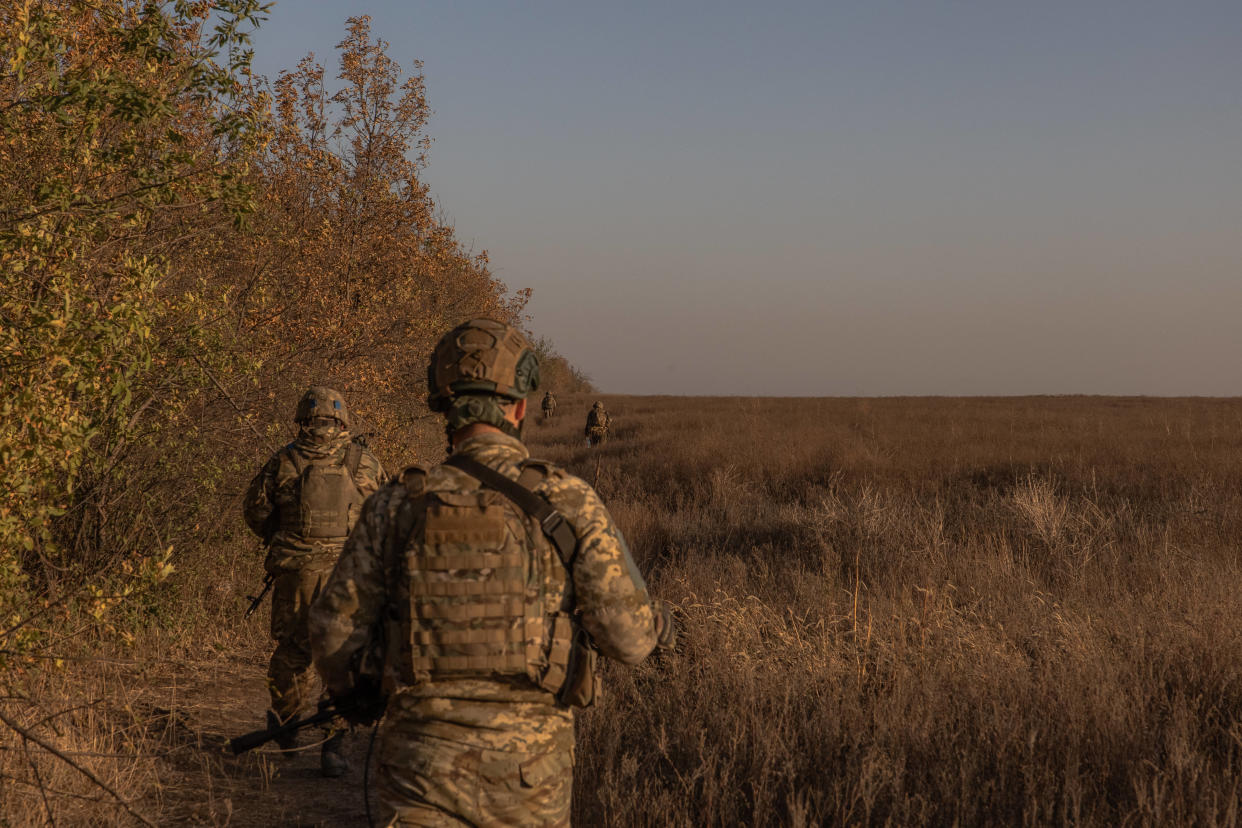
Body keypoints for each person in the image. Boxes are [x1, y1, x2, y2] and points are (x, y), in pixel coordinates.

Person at [309, 318, 674, 826]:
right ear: (522, 406)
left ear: (443, 406)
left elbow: (332, 631)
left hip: (419, 769)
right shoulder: (568, 501)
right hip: (529, 777)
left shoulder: (394, 506)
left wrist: (360, 698)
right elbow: (630, 640)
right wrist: (660, 624)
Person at [242, 386, 386, 777]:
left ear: (302, 419)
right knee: (343, 657)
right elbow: (384, 518)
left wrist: (282, 536)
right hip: (349, 577)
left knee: (292, 652)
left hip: (297, 574)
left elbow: (254, 512)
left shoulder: (283, 460)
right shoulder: (365, 463)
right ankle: (332, 745)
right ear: (343, 421)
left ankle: (287, 723)